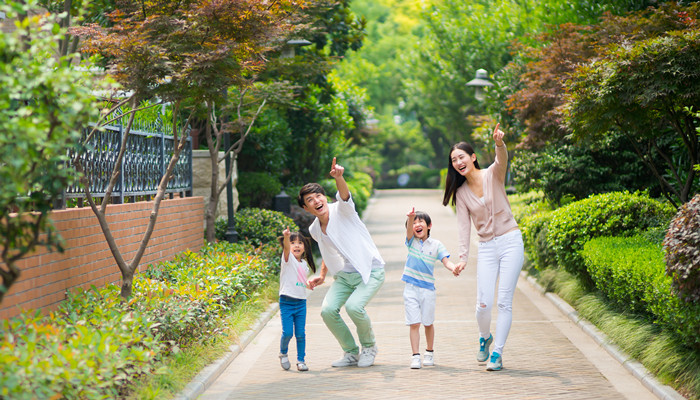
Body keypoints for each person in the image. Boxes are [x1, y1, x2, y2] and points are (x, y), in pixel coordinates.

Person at [442, 123, 525, 372]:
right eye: (454, 160)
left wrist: (499, 143)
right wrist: (463, 258)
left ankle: (497, 353)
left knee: (504, 303)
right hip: (487, 247)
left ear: (473, 157)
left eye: (461, 157)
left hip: (511, 241)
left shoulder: (492, 174)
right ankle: (484, 336)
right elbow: (464, 228)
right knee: (483, 305)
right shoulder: (461, 193)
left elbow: (502, 160)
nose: (458, 162)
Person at [299, 157, 385, 368]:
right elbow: (329, 252)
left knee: (354, 307)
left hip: (370, 270)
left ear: (325, 198)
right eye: (310, 200)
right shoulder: (314, 229)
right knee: (327, 311)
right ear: (305, 207)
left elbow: (344, 195)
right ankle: (350, 352)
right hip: (345, 276)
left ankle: (369, 347)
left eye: (319, 196)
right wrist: (321, 275)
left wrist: (339, 177)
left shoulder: (342, 210)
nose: (316, 201)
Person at [402, 207, 460, 369]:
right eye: (414, 223)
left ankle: (429, 352)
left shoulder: (436, 245)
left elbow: (446, 261)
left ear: (429, 225)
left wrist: (453, 267)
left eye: (420, 221)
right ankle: (415, 356)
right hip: (410, 288)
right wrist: (410, 218)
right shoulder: (411, 241)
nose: (417, 225)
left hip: (428, 290)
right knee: (414, 323)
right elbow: (408, 230)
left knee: (428, 323)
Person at [278, 227, 316, 372]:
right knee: (288, 333)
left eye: (300, 243)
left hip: (301, 303)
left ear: (305, 247)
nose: (297, 245)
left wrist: (309, 284)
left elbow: (301, 281)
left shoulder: (304, 265)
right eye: (293, 243)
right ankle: (283, 353)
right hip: (286, 302)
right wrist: (286, 237)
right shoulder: (287, 260)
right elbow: (286, 248)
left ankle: (301, 361)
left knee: (300, 334)